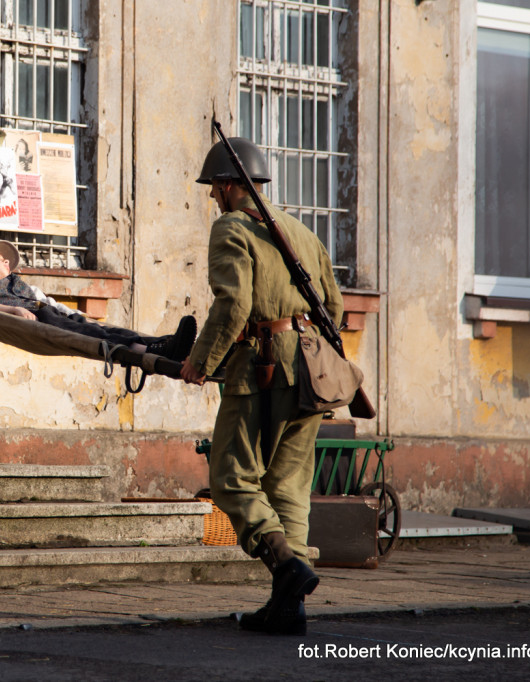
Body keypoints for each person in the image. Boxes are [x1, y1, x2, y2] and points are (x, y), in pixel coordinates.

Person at [180, 136, 344, 635]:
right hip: (313, 370)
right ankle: (287, 609)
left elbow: (233, 306)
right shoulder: (302, 233)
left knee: (231, 477)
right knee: (289, 489)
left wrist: (200, 362)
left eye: (214, 188)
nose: (211, 197)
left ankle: (288, 566)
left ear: (231, 187)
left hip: (261, 369)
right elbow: (333, 310)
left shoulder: (232, 228)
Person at [0, 240, 197, 361]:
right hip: (38, 320)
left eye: (7, 261)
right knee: (95, 337)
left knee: (101, 329)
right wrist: (11, 310)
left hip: (50, 314)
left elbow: (46, 300)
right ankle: (155, 350)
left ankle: (165, 344)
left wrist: (73, 313)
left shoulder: (18, 282)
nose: (6, 262)